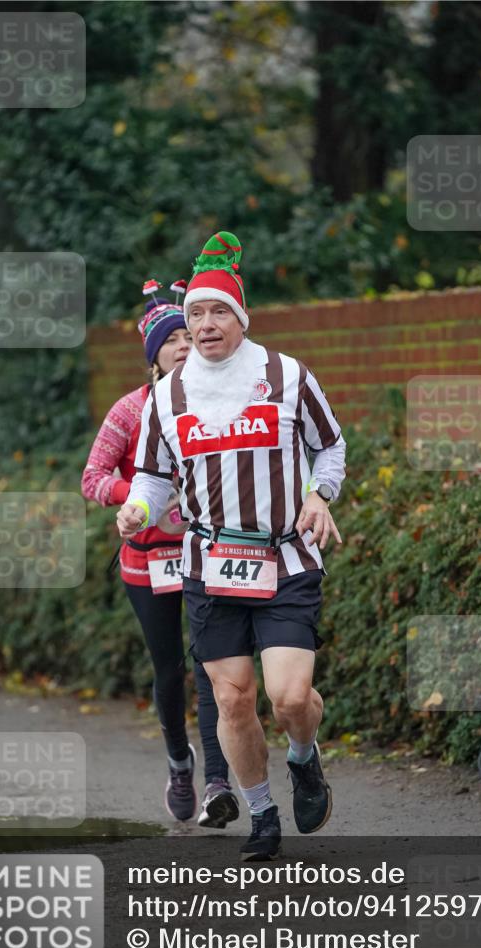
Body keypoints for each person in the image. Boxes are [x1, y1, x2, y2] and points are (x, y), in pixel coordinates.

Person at [117, 231, 346, 860]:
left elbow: (331, 446)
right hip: (210, 562)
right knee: (231, 697)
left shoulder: (287, 375)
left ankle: (303, 757)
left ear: (241, 317)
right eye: (195, 312)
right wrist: (138, 509)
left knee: (290, 696)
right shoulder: (167, 396)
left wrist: (318, 494)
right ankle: (263, 813)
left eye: (219, 311)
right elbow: (153, 475)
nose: (206, 323)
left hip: (285, 556)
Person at [82, 286, 240, 826]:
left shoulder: (215, 403)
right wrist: (139, 495)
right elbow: (92, 480)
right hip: (146, 564)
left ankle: (218, 781)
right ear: (153, 355)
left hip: (205, 554)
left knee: (212, 666)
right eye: (169, 339)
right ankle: (180, 763)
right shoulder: (130, 411)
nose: (181, 345)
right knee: (170, 671)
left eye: (184, 337)